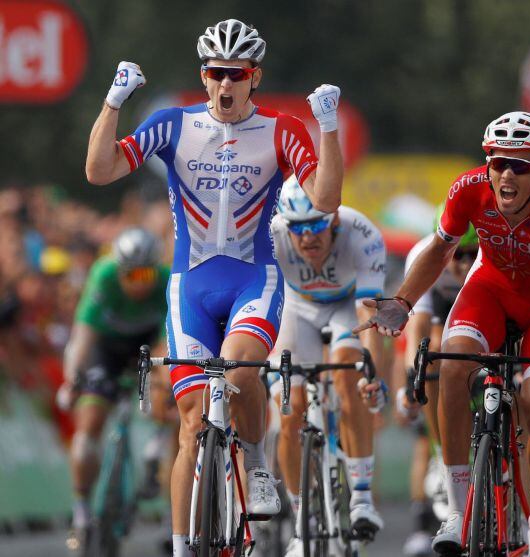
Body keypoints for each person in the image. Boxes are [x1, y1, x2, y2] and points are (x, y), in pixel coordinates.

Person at [84, 18, 344, 557]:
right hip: (190, 287)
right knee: (190, 422)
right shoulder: (172, 124)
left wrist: (329, 128)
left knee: (241, 366)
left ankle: (257, 464)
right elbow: (99, 171)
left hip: (253, 277)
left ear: (255, 77)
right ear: (203, 77)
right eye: (216, 73)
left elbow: (324, 200)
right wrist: (113, 103)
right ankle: (183, 546)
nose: (226, 84)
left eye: (237, 73)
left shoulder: (282, 130)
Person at [355, 111, 530, 556]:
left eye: (519, 166)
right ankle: (458, 511)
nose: (505, 174)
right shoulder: (468, 189)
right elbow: (440, 250)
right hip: (490, 291)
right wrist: (403, 302)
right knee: (451, 362)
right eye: (497, 163)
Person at [268, 177, 387, 555]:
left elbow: (370, 317)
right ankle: (302, 522)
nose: (307, 237)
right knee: (289, 412)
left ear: (334, 219)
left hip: (346, 308)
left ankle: (362, 498)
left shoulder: (362, 233)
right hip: (295, 309)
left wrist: (371, 371)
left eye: (316, 224)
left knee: (346, 371)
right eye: (298, 228)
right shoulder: (270, 234)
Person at [57, 228, 169, 550]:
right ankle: (80, 511)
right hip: (105, 348)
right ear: (117, 269)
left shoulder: (164, 281)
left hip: (148, 346)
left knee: (166, 390)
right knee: (89, 422)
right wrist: (72, 380)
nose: (138, 282)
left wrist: (161, 383)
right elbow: (83, 334)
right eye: (130, 275)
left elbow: (166, 342)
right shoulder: (103, 275)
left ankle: (155, 451)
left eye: (145, 273)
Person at [396, 206, 479, 557]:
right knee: (429, 359)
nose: (461, 263)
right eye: (455, 253)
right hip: (438, 313)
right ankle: (439, 452)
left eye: (471, 254)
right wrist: (413, 376)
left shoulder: (486, 263)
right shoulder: (423, 256)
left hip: (478, 303)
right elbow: (417, 326)